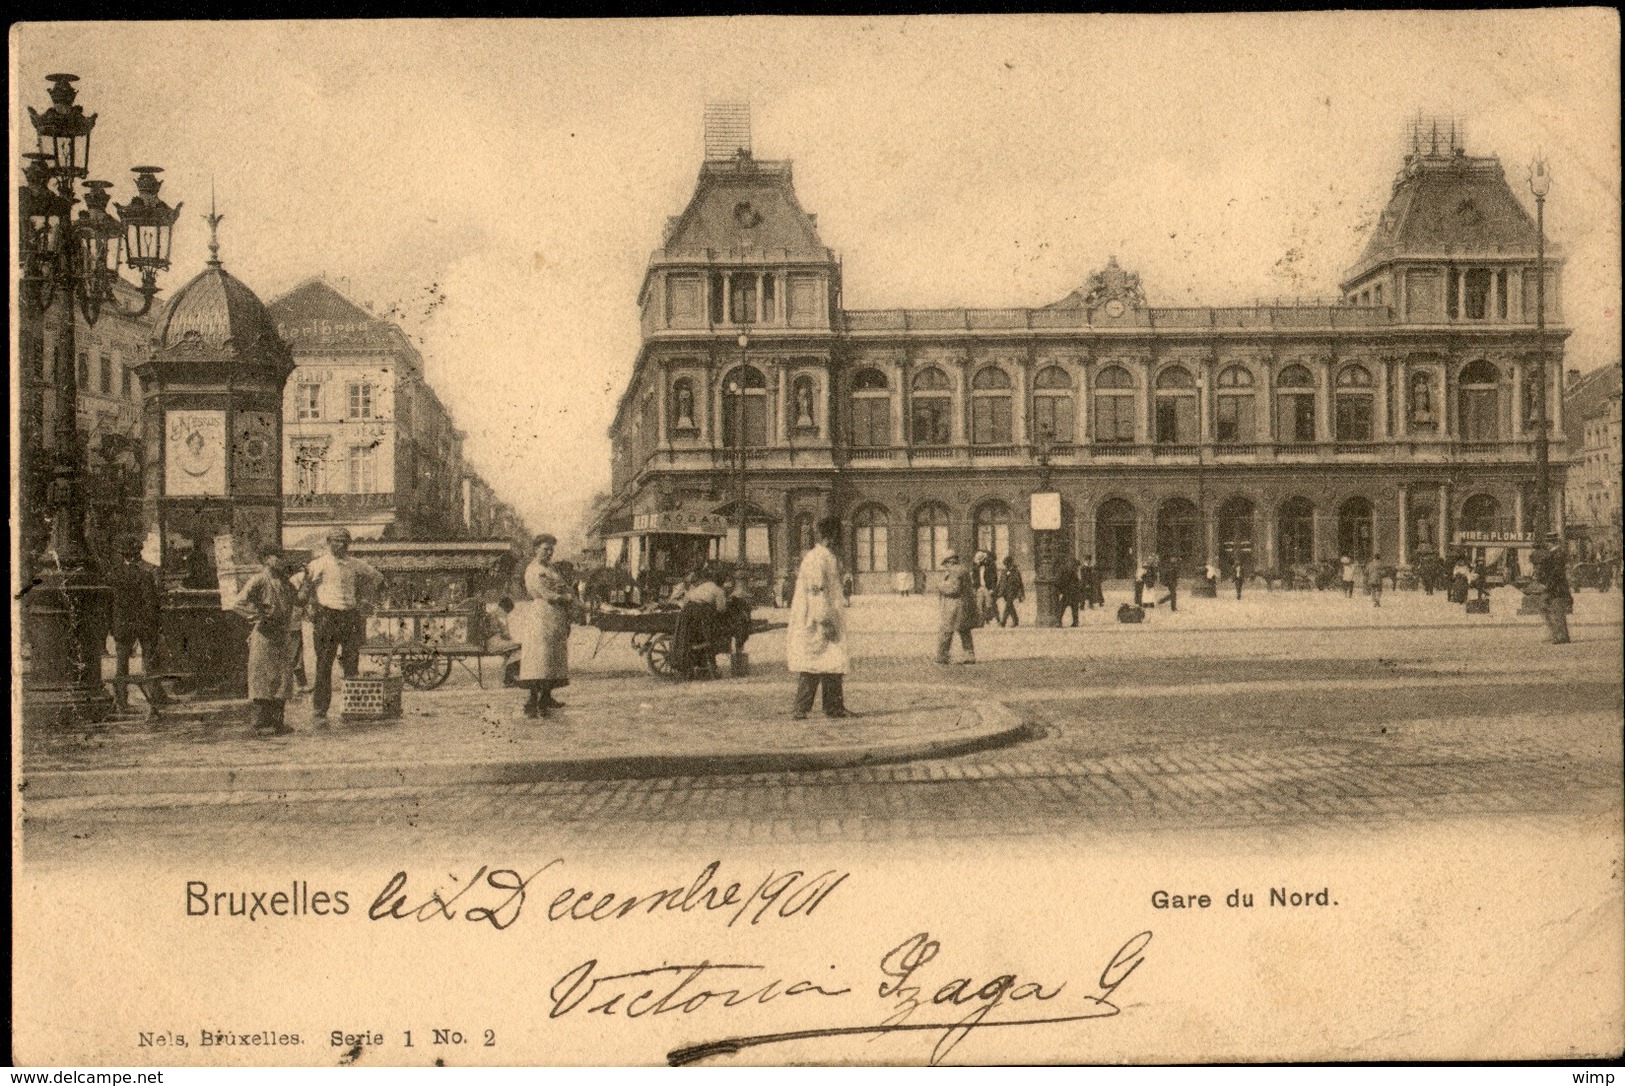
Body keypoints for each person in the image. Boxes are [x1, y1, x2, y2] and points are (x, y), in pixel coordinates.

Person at [304, 527, 383, 723]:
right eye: (336, 541)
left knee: (351, 663)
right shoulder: (318, 564)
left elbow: (378, 578)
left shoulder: (355, 564)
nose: (340, 545)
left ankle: (354, 706)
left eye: (344, 542)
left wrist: (366, 598)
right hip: (326, 617)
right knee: (324, 664)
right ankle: (320, 709)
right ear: (329, 543)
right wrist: (312, 604)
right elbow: (301, 587)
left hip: (350, 616)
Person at [786, 517, 850, 720]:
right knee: (813, 663)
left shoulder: (827, 556)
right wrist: (824, 620)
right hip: (815, 619)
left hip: (827, 616)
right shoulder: (816, 559)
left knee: (833, 661)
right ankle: (801, 707)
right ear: (829, 537)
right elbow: (816, 592)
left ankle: (834, 706)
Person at [232, 549, 300, 736]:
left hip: (282, 634)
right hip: (264, 634)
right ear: (266, 559)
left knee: (282, 678)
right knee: (262, 678)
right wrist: (258, 616)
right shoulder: (259, 580)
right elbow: (238, 603)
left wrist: (308, 582)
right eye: (277, 557)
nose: (280, 561)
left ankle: (278, 723)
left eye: (282, 557)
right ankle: (260, 723)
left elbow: (299, 601)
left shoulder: (286, 583)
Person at [105, 535, 169, 717]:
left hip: (122, 625)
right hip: (144, 625)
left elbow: (109, 604)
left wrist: (112, 626)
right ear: (137, 553)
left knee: (121, 664)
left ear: (122, 554)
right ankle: (154, 698)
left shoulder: (113, 575)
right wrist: (155, 625)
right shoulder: (146, 574)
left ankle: (122, 702)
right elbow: (151, 603)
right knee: (149, 660)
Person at [517, 533, 573, 718]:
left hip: (556, 617)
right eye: (545, 549)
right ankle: (533, 700)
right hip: (541, 616)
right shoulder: (534, 570)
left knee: (554, 658)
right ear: (536, 549)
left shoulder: (551, 568)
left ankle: (547, 696)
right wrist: (564, 597)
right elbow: (546, 593)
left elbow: (564, 585)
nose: (549, 553)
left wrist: (565, 593)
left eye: (551, 549)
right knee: (539, 659)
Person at [935, 552, 980, 664]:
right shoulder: (963, 569)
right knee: (964, 631)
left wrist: (940, 586)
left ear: (950, 562)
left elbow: (954, 589)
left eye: (946, 564)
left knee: (946, 631)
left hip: (954, 606)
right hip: (963, 606)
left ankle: (942, 656)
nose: (945, 567)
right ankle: (969, 655)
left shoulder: (955, 571)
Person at [1532, 541, 1572, 644]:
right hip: (1554, 587)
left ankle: (1561, 636)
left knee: (1556, 611)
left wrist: (1546, 584)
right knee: (1546, 608)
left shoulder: (1557, 554)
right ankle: (1556, 634)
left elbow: (1556, 573)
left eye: (1548, 542)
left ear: (1551, 543)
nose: (1546, 545)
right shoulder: (1553, 554)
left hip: (1556, 587)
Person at [995, 556, 1025, 627]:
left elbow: (1019, 583)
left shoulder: (1015, 571)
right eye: (1005, 565)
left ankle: (1003, 622)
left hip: (1012, 591)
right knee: (1010, 606)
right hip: (1005, 591)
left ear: (1010, 563)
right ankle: (1016, 620)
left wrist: (1021, 593)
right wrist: (997, 591)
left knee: (1008, 605)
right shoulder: (1004, 571)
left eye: (1007, 564)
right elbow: (1000, 582)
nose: (1006, 566)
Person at [1056, 560, 1081, 627]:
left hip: (1068, 592)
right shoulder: (1071, 570)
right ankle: (1075, 622)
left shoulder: (1065, 569)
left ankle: (1058, 622)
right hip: (1073, 591)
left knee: (1062, 606)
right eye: (1077, 566)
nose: (1077, 568)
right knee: (1074, 607)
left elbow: (1060, 581)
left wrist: (1061, 590)